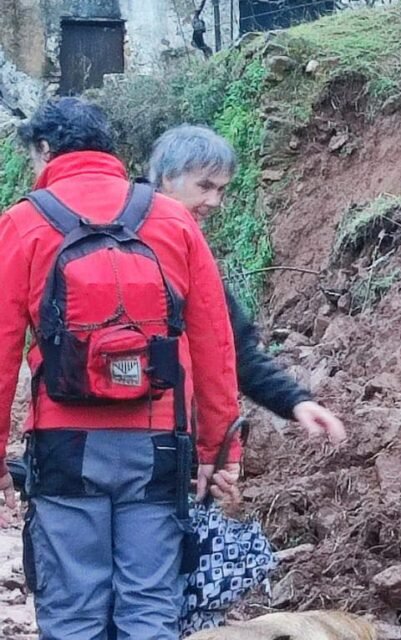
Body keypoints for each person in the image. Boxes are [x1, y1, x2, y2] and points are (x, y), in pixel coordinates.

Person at [0, 98, 241, 639]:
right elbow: (214, 344)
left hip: (65, 445)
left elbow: (1, 350)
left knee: (74, 611)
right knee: (150, 606)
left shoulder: (22, 223)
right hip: (157, 444)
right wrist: (218, 451)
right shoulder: (173, 220)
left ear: (46, 149)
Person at [146, 125, 347, 470]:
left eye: (221, 189)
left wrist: (295, 401)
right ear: (166, 178)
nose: (215, 202)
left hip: (155, 444)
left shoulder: (188, 249)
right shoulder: (135, 241)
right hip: (147, 442)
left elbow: (232, 348)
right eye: (205, 186)